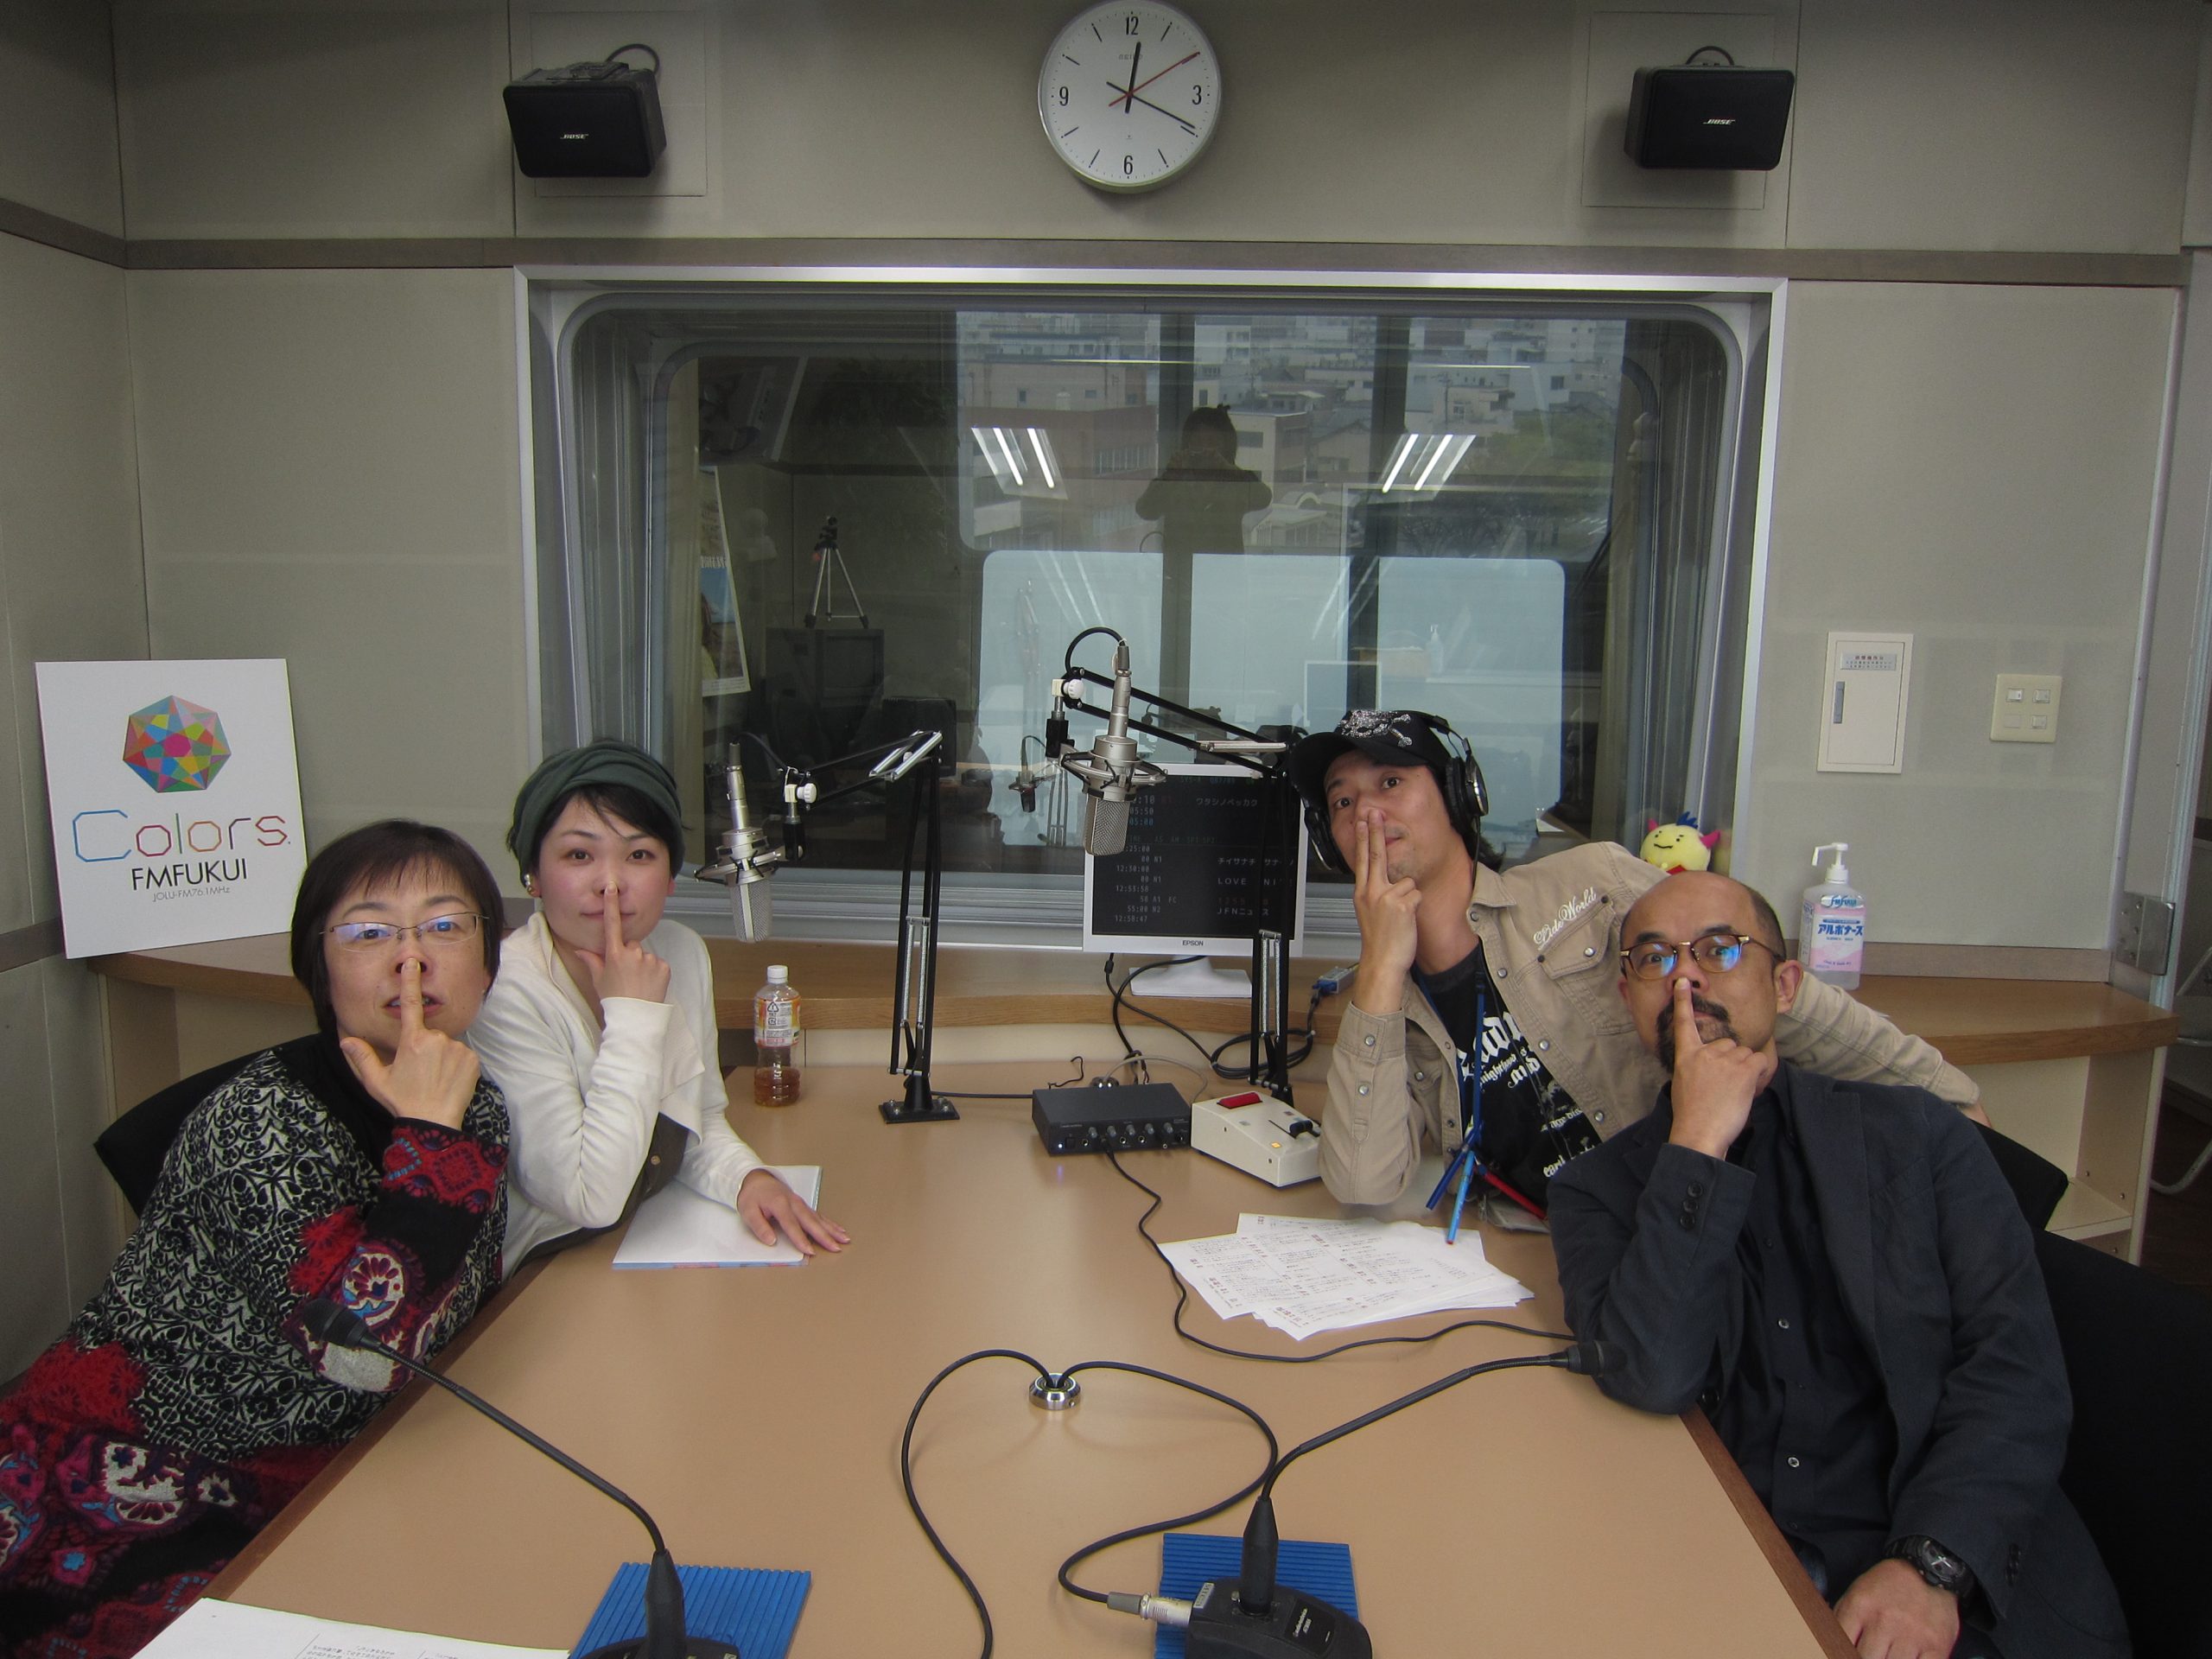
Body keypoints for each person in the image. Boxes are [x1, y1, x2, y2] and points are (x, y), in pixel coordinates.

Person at [1548, 872, 2126, 1659]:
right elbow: (1652, 1375)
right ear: (1627, 998)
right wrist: (1697, 1147)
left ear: (1785, 985)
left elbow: (2017, 1370)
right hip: (1731, 1565)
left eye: (1719, 949)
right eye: (1654, 959)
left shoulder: (1919, 1137)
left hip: (1946, 1563)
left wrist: (1930, 1567)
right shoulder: (1595, 1191)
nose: (1685, 978)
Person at [0, 822, 511, 1658]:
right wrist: (430, 1135)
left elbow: (449, 1307)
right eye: (369, 933)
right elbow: (363, 1356)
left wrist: (437, 1126)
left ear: (488, 964)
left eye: (446, 927)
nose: (411, 959)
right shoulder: (260, 1126)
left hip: (335, 1470)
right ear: (320, 971)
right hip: (127, 1496)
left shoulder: (468, 1098)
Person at [1284, 709, 1979, 1213]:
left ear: (1459, 796)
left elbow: (1770, 998)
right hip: (1552, 1253)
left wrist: (1943, 1096)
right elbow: (1362, 1183)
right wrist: (1381, 969)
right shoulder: (1384, 1004)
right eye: (1343, 800)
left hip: (1692, 1221)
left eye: (1390, 783)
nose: (1366, 813)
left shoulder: (1596, 886)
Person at [468, 740, 848, 1271]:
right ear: (532, 873)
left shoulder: (679, 951)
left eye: (639, 855)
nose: (610, 885)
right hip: (546, 1266)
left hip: (643, 1227)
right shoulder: (505, 987)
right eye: (579, 855)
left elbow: (697, 1119)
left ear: (670, 878)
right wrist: (633, 1014)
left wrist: (747, 1178)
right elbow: (588, 1199)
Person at [1135, 405, 1271, 558]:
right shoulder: (1176, 481)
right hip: (1180, 570)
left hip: (1225, 569)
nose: (1205, 449)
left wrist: (1229, 469)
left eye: (1212, 442)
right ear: (1187, 445)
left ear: (1226, 447)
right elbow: (1144, 510)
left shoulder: (1234, 483)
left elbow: (1264, 498)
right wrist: (1169, 476)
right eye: (1197, 441)